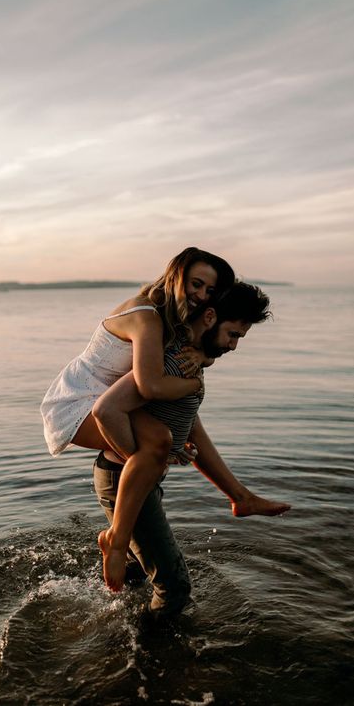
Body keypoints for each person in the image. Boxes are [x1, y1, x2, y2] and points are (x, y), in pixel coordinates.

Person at [41, 247, 235, 591]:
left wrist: (204, 359)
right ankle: (115, 541)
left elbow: (175, 376)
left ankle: (123, 575)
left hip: (109, 401)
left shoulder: (170, 320)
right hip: (77, 402)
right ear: (176, 275)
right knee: (158, 443)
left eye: (209, 292)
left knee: (161, 447)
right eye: (196, 283)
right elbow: (150, 384)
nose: (201, 295)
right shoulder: (146, 315)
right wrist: (193, 378)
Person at [93, 282, 291, 619]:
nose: (234, 345)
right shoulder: (172, 363)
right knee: (175, 588)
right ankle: (153, 661)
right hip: (125, 479)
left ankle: (110, 625)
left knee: (138, 573)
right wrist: (145, 459)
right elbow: (105, 410)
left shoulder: (191, 357)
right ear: (210, 318)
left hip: (137, 479)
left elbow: (189, 423)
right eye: (233, 334)